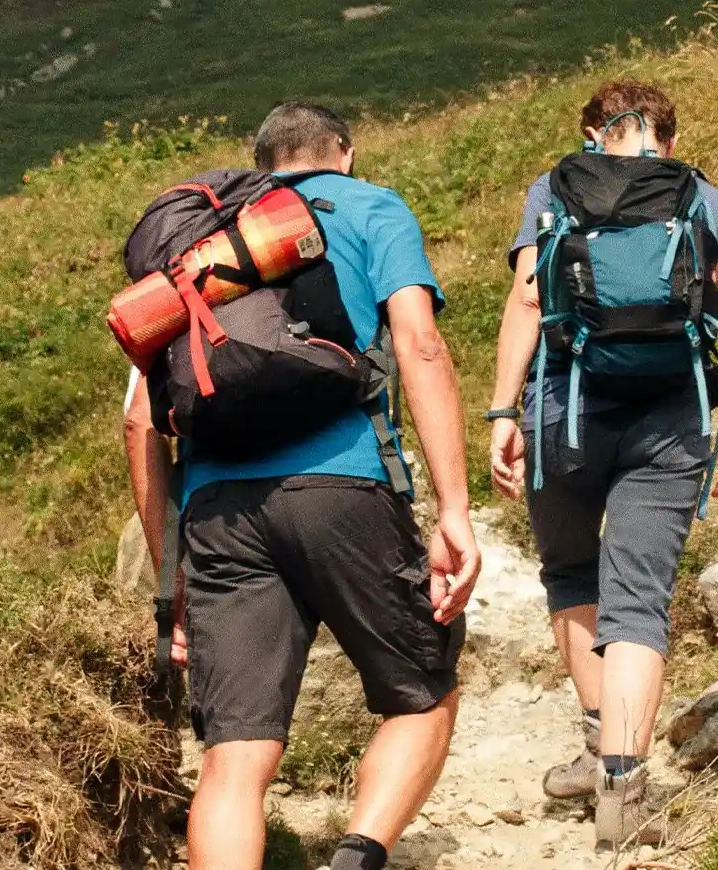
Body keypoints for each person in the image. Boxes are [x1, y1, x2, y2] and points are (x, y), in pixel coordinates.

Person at [124, 102, 481, 870]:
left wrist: (170, 578)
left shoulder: (200, 245)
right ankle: (356, 860)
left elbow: (140, 425)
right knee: (423, 695)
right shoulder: (370, 206)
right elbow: (419, 343)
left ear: (260, 162)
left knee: (234, 755)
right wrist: (455, 508)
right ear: (345, 153)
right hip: (343, 483)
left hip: (218, 511)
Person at [485, 78, 718, 847]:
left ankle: (591, 742)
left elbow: (523, 302)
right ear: (668, 140)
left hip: (561, 412)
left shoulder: (553, 190)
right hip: (672, 417)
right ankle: (623, 783)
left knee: (572, 574)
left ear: (591, 134)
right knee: (638, 598)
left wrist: (503, 413)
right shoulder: (705, 201)